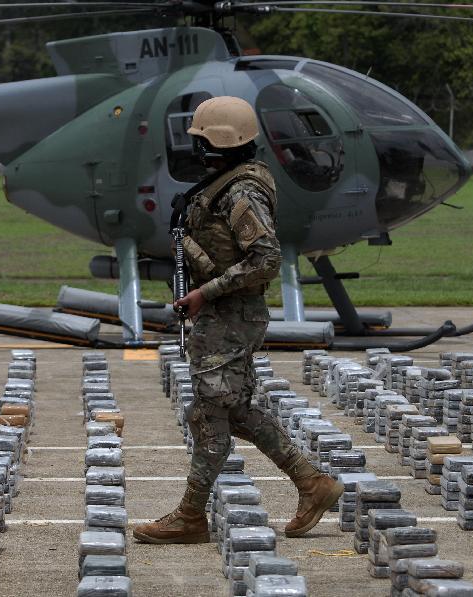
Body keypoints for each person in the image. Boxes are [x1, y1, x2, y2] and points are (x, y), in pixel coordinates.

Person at [133, 96, 343, 544]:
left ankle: (190, 516)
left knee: (209, 414)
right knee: (235, 411)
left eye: (202, 141)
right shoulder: (227, 183)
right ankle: (311, 483)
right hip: (225, 317)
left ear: (220, 145)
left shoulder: (240, 192)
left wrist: (205, 291)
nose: (196, 150)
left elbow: (265, 259)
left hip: (230, 318)